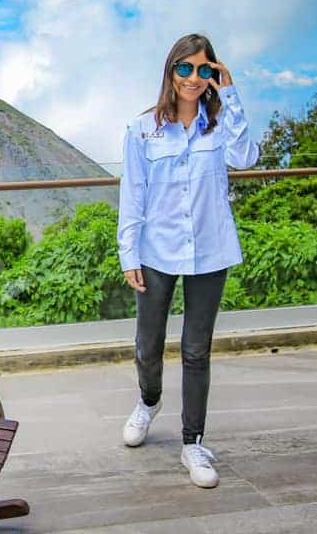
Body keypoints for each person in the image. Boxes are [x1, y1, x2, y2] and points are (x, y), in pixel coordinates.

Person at [116, 33, 259, 488]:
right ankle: (148, 399)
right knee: (148, 345)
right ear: (170, 71)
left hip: (211, 250)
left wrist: (231, 94)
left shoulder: (219, 128)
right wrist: (128, 253)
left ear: (213, 75)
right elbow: (132, 195)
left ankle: (193, 442)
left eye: (203, 70)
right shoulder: (141, 130)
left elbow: (246, 157)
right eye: (185, 68)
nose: (193, 79)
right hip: (156, 250)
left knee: (197, 351)